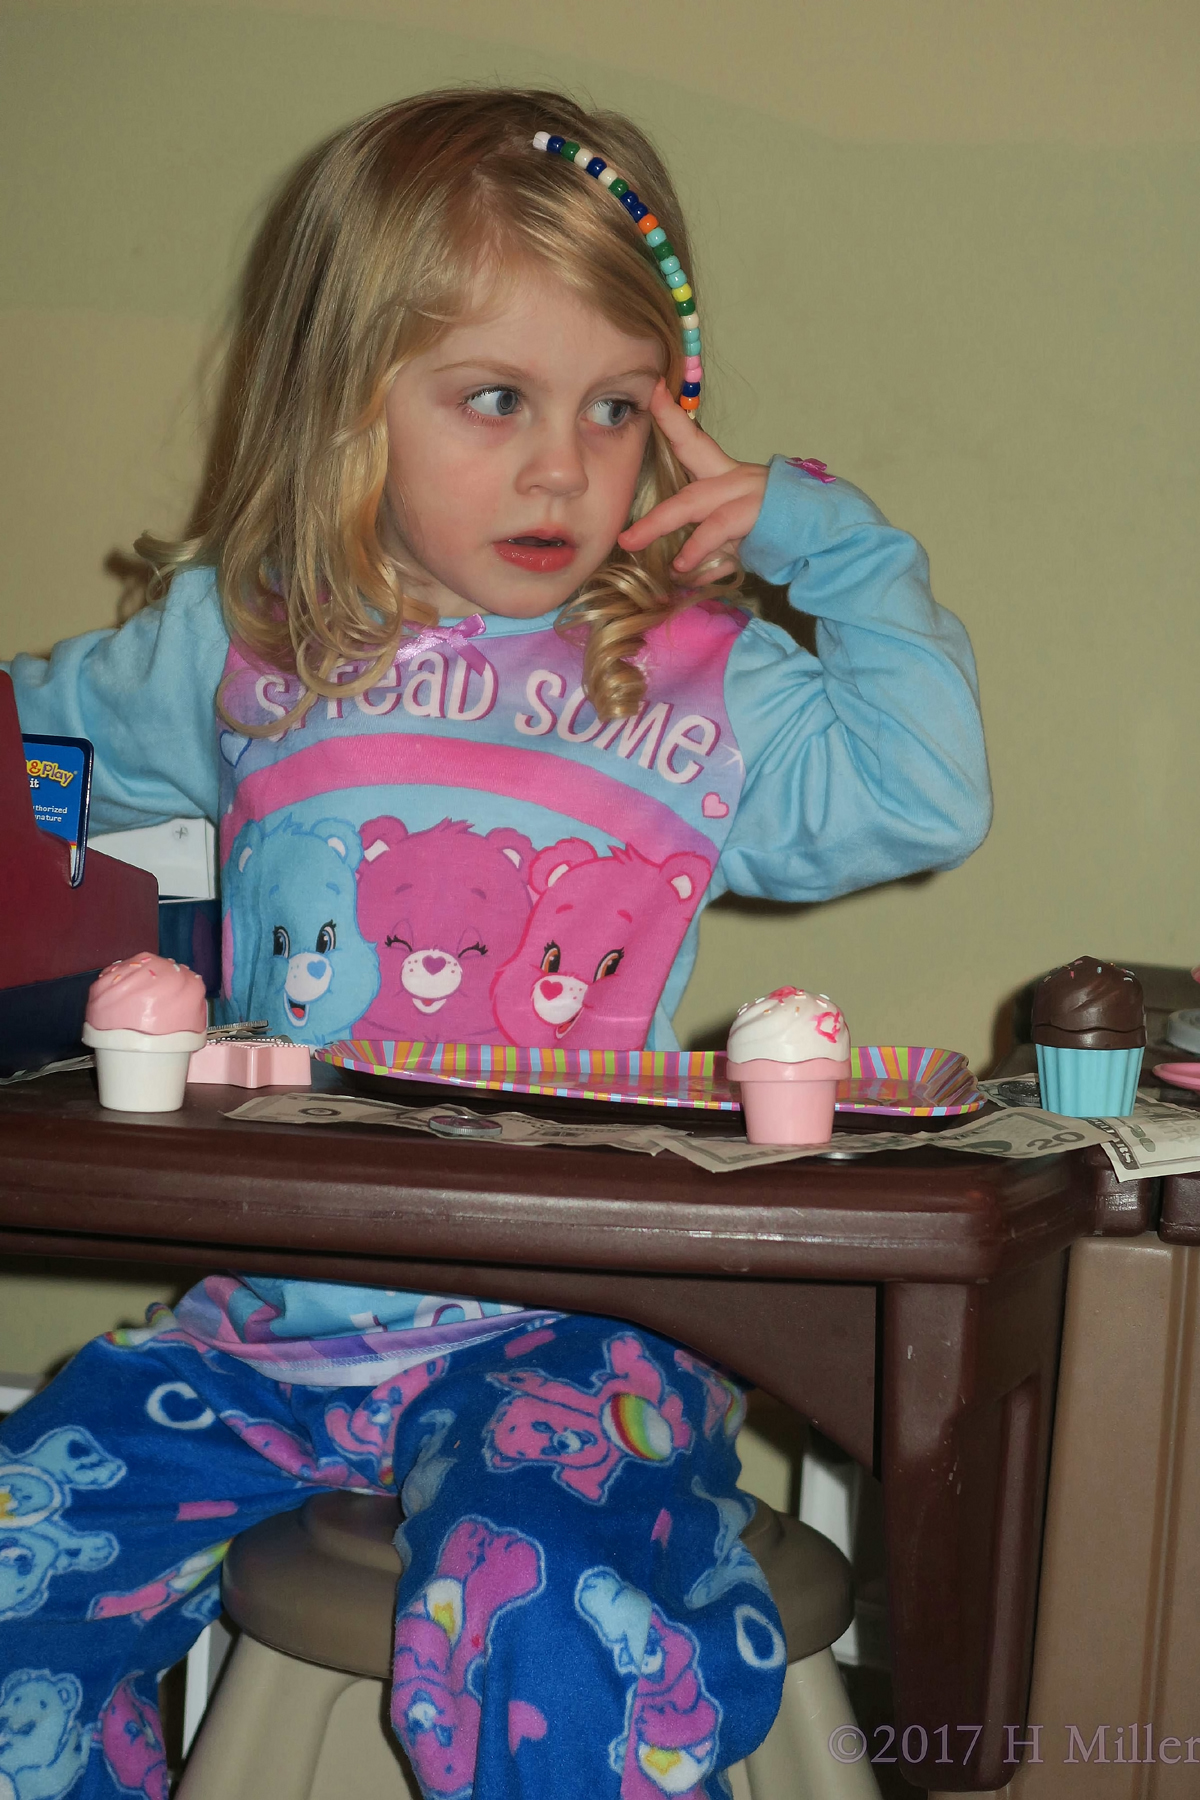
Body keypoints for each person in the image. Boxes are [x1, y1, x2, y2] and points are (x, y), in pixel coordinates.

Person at [0, 88, 990, 1799]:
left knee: (538, 1612)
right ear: (345, 411)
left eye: (620, 407)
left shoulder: (696, 677)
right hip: (274, 1329)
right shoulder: (243, 641)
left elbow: (925, 791)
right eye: (494, 399)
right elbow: (30, 754)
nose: (562, 464)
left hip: (577, 1330)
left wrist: (829, 542)